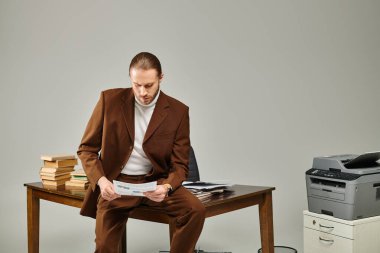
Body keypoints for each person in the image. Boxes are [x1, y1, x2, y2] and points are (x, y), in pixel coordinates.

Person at [77, 52, 205, 253]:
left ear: (160, 78)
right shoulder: (108, 100)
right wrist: (101, 181)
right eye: (137, 85)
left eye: (149, 85)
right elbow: (86, 149)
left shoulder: (178, 112)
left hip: (156, 184)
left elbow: (180, 164)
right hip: (116, 185)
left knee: (195, 210)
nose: (142, 92)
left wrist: (167, 187)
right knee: (104, 247)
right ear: (130, 78)